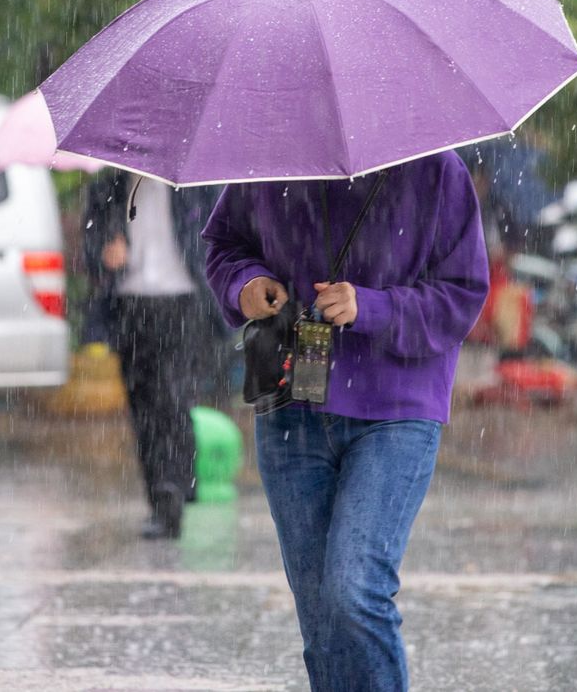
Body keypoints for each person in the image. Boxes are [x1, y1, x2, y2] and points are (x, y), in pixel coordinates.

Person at [203, 152, 489, 692]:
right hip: (291, 408)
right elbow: (223, 245)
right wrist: (247, 284)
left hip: (396, 408)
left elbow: (462, 293)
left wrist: (372, 307)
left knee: (354, 591)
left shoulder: (436, 171)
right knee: (319, 615)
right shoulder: (272, 159)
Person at [83, 169, 225, 539]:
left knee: (173, 396)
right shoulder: (108, 186)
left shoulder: (195, 183)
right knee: (143, 404)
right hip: (130, 305)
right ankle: (161, 494)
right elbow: (88, 248)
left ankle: (172, 489)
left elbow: (221, 239)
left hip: (183, 303)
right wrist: (104, 252)